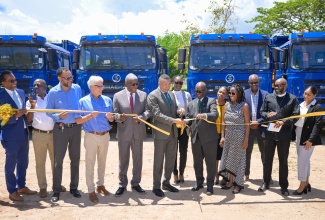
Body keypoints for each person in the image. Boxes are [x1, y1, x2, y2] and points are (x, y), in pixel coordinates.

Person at [75, 75, 114, 203]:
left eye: (102, 85)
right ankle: (91, 190)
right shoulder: (83, 101)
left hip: (105, 135)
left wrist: (110, 118)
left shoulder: (108, 100)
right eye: (99, 86)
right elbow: (78, 120)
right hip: (91, 135)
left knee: (102, 162)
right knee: (90, 163)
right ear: (91, 87)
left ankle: (100, 185)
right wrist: (90, 116)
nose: (101, 88)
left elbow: (112, 119)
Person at [46, 67, 82, 202]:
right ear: (60, 79)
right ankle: (56, 191)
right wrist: (57, 116)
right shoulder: (53, 92)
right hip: (60, 129)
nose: (71, 80)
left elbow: (80, 106)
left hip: (75, 128)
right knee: (58, 161)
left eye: (71, 77)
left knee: (75, 159)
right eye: (67, 78)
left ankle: (74, 188)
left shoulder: (77, 88)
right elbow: (48, 111)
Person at [258, 78, 299, 196]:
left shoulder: (292, 99)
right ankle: (266, 182)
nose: (276, 88)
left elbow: (296, 115)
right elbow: (262, 111)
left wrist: (284, 121)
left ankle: (284, 186)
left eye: (278, 86)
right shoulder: (269, 97)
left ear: (285, 86)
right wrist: (267, 114)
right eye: (275, 86)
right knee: (267, 160)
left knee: (283, 161)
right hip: (270, 134)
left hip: (284, 134)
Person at [0, 70, 37, 202]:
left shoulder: (21, 92)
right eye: (11, 81)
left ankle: (21, 186)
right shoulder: (1, 96)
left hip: (24, 132)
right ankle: (12, 190)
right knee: (10, 164)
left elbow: (26, 117)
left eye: (15, 80)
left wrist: (32, 106)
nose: (14, 82)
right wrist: (15, 116)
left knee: (23, 162)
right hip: (10, 136)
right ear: (3, 82)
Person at [26, 79, 66, 198]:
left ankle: (56, 185)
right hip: (39, 135)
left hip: (54, 134)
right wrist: (32, 105)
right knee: (40, 163)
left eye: (39, 85)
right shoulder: (30, 101)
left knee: (56, 162)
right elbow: (28, 119)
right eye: (34, 85)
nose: (36, 87)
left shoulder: (52, 98)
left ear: (45, 87)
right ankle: (43, 187)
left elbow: (58, 115)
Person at [146, 74, 185, 197]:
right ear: (159, 84)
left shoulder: (172, 94)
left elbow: (173, 111)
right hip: (160, 133)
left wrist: (179, 112)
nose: (167, 87)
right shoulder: (152, 95)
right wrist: (174, 120)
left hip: (172, 133)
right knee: (159, 160)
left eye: (168, 84)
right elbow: (156, 114)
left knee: (170, 159)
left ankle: (166, 182)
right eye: (164, 84)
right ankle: (156, 186)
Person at [112, 73, 150, 197]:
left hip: (138, 133)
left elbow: (148, 111)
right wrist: (120, 118)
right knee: (123, 160)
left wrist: (142, 117)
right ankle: (122, 184)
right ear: (126, 84)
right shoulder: (117, 96)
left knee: (138, 159)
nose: (136, 86)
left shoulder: (143, 95)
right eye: (133, 84)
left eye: (137, 83)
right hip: (124, 133)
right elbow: (114, 113)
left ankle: (136, 183)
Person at [187, 82, 218, 195]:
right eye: (196, 91)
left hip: (209, 139)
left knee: (210, 163)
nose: (198, 93)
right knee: (197, 163)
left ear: (205, 91)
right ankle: (199, 182)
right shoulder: (191, 104)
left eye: (200, 91)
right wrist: (187, 128)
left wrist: (204, 115)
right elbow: (188, 119)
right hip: (196, 138)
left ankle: (210, 185)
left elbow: (215, 115)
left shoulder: (211, 101)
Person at [219, 84, 250, 194]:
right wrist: (222, 136)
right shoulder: (227, 105)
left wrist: (246, 139)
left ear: (239, 94)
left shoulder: (244, 106)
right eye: (230, 93)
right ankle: (230, 182)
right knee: (229, 160)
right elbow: (223, 122)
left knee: (239, 161)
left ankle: (238, 184)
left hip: (239, 137)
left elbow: (247, 124)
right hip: (228, 137)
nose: (231, 95)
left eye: (233, 93)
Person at [292, 86, 322, 195]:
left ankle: (302, 185)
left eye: (309, 94)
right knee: (305, 161)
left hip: (308, 138)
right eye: (305, 94)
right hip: (298, 134)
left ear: (314, 95)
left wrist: (311, 140)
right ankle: (307, 182)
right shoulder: (300, 105)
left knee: (302, 161)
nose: (306, 96)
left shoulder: (317, 107)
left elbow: (317, 125)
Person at [244, 74, 269, 182]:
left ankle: (266, 176)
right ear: (248, 83)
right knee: (246, 153)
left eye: (256, 82)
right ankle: (246, 174)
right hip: (248, 129)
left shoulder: (266, 95)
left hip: (261, 128)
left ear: (259, 82)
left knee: (265, 153)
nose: (254, 84)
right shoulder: (244, 94)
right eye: (251, 83)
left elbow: (269, 113)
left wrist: (258, 122)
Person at [171, 76, 192, 184]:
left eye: (180, 82)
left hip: (184, 126)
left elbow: (190, 109)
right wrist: (177, 112)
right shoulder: (169, 95)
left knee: (183, 151)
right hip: (174, 126)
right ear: (172, 83)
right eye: (176, 82)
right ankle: (174, 173)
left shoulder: (187, 95)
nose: (178, 84)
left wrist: (185, 114)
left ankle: (181, 173)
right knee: (173, 151)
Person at [215, 86, 228, 186]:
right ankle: (216, 177)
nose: (221, 94)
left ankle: (225, 177)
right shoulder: (212, 104)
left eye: (223, 93)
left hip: (226, 135)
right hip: (214, 134)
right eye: (220, 92)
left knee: (224, 157)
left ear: (226, 95)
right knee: (215, 157)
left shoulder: (228, 105)